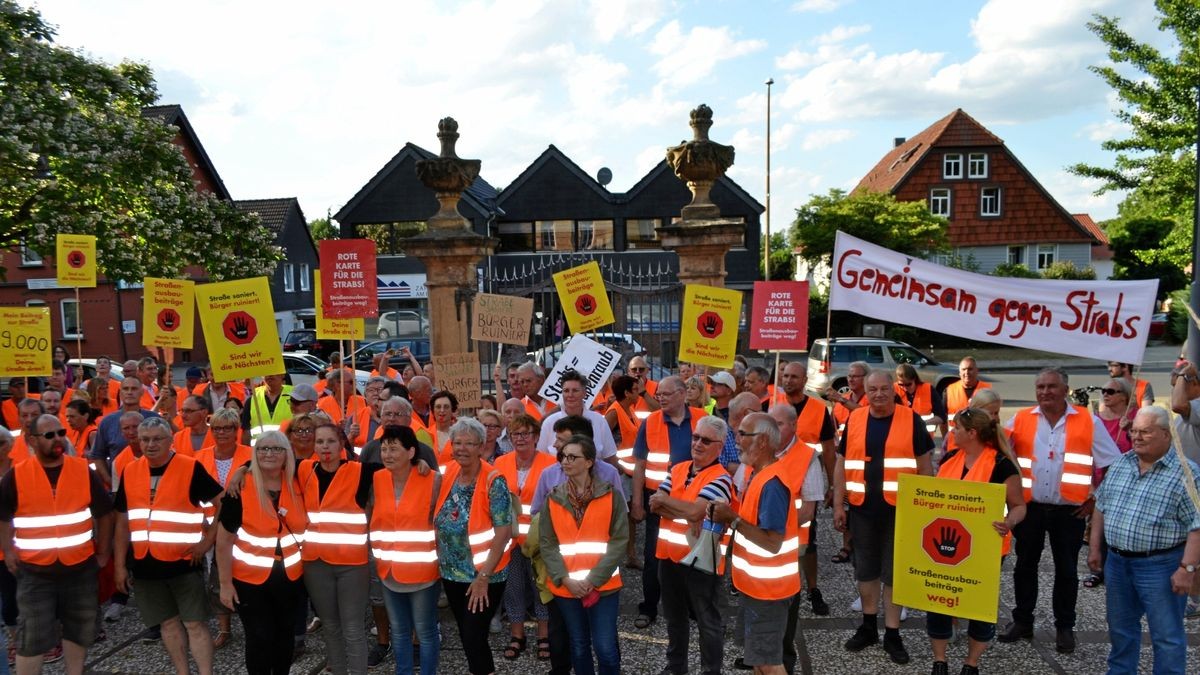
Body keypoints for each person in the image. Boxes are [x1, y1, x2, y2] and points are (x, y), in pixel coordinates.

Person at [999, 367, 1120, 653]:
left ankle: (1065, 627)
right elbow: (999, 453)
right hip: (1030, 508)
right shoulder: (1021, 419)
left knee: (1066, 570)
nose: (1045, 392)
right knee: (1024, 566)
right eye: (1040, 386)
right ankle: (1022, 621)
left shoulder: (1088, 421)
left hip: (1070, 511)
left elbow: (1114, 465)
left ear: (1066, 389)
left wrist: (1095, 498)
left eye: (1051, 386)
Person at [1088, 406, 1200, 675]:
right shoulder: (1121, 463)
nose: (1136, 437)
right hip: (1117, 563)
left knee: (1166, 634)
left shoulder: (1187, 473)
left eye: (1145, 432)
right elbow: (1101, 506)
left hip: (1160, 565)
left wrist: (1187, 569)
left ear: (1165, 434)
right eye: (1134, 431)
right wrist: (1094, 548)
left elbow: (1198, 526)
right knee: (1121, 629)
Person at [833, 369, 934, 664]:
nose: (878, 394)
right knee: (865, 570)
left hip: (900, 510)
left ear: (893, 390)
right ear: (866, 391)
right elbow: (841, 464)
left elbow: (925, 469)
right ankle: (868, 626)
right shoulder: (855, 418)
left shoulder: (911, 419)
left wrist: (922, 510)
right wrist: (839, 505)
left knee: (894, 573)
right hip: (863, 509)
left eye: (883, 389)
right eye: (872, 389)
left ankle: (892, 633)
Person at [0, 414, 113, 675]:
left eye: (61, 432)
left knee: (78, 630)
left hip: (80, 568)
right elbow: (3, 517)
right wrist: (7, 551)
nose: (58, 439)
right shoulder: (17, 476)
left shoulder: (82, 469)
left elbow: (104, 514)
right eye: (49, 435)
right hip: (34, 571)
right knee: (32, 637)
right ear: (32, 440)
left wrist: (104, 553)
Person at [112, 417, 223, 675]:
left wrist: (207, 542)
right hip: (145, 564)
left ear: (170, 441)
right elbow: (121, 522)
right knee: (168, 624)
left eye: (157, 439)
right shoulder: (130, 470)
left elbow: (223, 503)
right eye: (145, 439)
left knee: (195, 624)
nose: (150, 445)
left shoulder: (189, 467)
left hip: (184, 562)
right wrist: (119, 566)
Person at [927, 407, 1026, 675]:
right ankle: (940, 660)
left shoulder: (1001, 465)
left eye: (956, 428)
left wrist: (1009, 522)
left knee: (979, 606)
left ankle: (971, 663)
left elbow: (1018, 505)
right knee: (938, 602)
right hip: (945, 547)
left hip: (985, 548)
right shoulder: (949, 458)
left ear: (971, 433)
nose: (952, 432)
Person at [711, 412, 798, 675]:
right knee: (759, 659)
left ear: (761, 441)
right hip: (757, 588)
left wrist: (733, 519)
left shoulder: (771, 483)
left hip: (768, 591)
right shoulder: (759, 474)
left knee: (768, 663)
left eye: (742, 434)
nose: (736, 440)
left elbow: (772, 543)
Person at [216, 431, 307, 675]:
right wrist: (225, 584)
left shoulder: (299, 481)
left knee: (285, 637)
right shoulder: (241, 487)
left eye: (276, 449)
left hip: (291, 578)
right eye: (263, 449)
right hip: (250, 581)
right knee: (259, 638)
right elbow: (223, 542)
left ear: (287, 454)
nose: (269, 453)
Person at [648, 415, 734, 675]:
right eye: (696, 437)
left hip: (701, 560)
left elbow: (695, 512)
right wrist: (688, 511)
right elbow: (655, 503)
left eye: (706, 441)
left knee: (708, 622)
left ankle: (710, 671)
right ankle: (676, 668)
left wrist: (676, 507)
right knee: (674, 619)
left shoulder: (721, 478)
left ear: (719, 447)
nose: (697, 443)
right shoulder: (678, 469)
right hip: (669, 557)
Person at [539, 435, 627, 675]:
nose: (565, 462)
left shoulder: (611, 496)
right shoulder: (553, 498)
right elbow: (547, 543)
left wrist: (592, 581)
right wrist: (566, 579)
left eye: (572, 457)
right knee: (578, 646)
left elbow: (619, 541)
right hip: (567, 587)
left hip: (603, 586)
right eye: (563, 457)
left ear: (589, 462)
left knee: (605, 648)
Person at [298, 421, 379, 675]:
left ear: (342, 442)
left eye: (330, 441)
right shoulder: (303, 470)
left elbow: (399, 466)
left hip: (351, 565)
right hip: (315, 563)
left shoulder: (361, 471)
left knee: (353, 627)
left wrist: (419, 462)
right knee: (331, 626)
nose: (325, 447)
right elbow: (264, 463)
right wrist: (240, 471)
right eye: (319, 441)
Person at [434, 418, 513, 675]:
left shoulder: (494, 480)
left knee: (473, 636)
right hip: (451, 572)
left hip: (483, 575)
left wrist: (483, 577)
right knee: (467, 635)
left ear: (481, 446)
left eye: (469, 443)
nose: (462, 448)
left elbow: (503, 532)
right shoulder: (448, 472)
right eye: (457, 442)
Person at [629, 376, 706, 630]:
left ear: (683, 394)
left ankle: (693, 607)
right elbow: (639, 464)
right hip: (658, 504)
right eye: (658, 393)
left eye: (666, 394)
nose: (659, 397)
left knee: (692, 553)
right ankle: (649, 607)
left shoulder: (700, 418)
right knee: (653, 556)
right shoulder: (650, 422)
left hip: (692, 502)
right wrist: (637, 502)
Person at [369, 425, 442, 675]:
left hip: (423, 572)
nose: (387, 454)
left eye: (394, 449)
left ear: (411, 452)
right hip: (388, 571)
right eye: (384, 449)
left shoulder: (432, 479)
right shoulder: (377, 478)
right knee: (398, 632)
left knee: (425, 631)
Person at [766, 403, 829, 669]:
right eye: (771, 423)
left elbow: (809, 510)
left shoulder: (807, 456)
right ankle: (762, 653)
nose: (773, 429)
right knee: (761, 600)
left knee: (786, 603)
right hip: (759, 542)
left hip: (791, 543)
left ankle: (784, 658)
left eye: (779, 424)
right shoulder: (761, 450)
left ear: (793, 426)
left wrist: (775, 528)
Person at [494, 414, 556, 661]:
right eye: (515, 434)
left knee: (541, 587)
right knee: (514, 588)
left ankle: (544, 636)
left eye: (526, 433)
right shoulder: (500, 462)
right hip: (510, 540)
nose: (520, 438)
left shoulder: (551, 464)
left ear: (537, 437)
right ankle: (517, 635)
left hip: (540, 539)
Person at [1086, 377, 1138, 590]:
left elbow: (1144, 447)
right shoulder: (1095, 419)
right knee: (1099, 525)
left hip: (1128, 481)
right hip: (1100, 479)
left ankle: (1125, 571)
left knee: (1123, 526)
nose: (1105, 394)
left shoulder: (1135, 417)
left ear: (1124, 396)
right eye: (1104, 391)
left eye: (1111, 391)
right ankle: (1098, 570)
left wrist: (1130, 430)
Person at [536, 370, 618, 466]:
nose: (570, 395)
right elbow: (540, 459)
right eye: (566, 391)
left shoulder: (599, 421)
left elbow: (610, 458)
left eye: (575, 390)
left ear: (584, 393)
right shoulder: (549, 423)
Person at [1170, 358, 1200, 613]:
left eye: (1179, 381)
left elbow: (1178, 404)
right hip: (1186, 488)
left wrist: (1185, 373)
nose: (1174, 383)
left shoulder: (1196, 406)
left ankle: (1196, 598)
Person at [91, 378, 161, 486]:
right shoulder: (107, 422)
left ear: (142, 392)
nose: (129, 392)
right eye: (125, 389)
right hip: (119, 485)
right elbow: (98, 456)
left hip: (154, 483)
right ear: (120, 392)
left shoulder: (155, 419)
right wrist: (110, 481)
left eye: (134, 389)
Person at [894, 364, 946, 438]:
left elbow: (941, 417)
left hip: (924, 439)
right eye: (901, 384)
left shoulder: (928, 389)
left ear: (914, 379)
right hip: (901, 438)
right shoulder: (894, 390)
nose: (905, 388)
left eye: (908, 384)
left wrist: (923, 423)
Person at [241, 373, 293, 443]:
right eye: (267, 372)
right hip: (259, 451)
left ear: (283, 375)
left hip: (286, 450)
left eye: (274, 371)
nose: (270, 375)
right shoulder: (252, 399)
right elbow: (246, 432)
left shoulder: (294, 397)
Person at [943, 357, 990, 429]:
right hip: (955, 438)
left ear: (977, 371)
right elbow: (942, 419)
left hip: (979, 438)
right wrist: (945, 438)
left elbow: (993, 417)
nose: (967, 372)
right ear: (959, 373)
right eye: (963, 369)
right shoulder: (949, 390)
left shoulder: (987, 390)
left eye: (970, 369)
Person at [829, 361, 868, 435]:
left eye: (855, 376)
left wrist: (841, 400)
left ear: (866, 378)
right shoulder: (840, 400)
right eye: (849, 376)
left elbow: (866, 414)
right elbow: (830, 429)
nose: (850, 380)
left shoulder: (874, 399)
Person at [428, 391, 458, 466]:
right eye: (438, 407)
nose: (442, 410)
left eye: (446, 407)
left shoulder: (460, 435)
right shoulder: (426, 434)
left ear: (452, 410)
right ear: (433, 411)